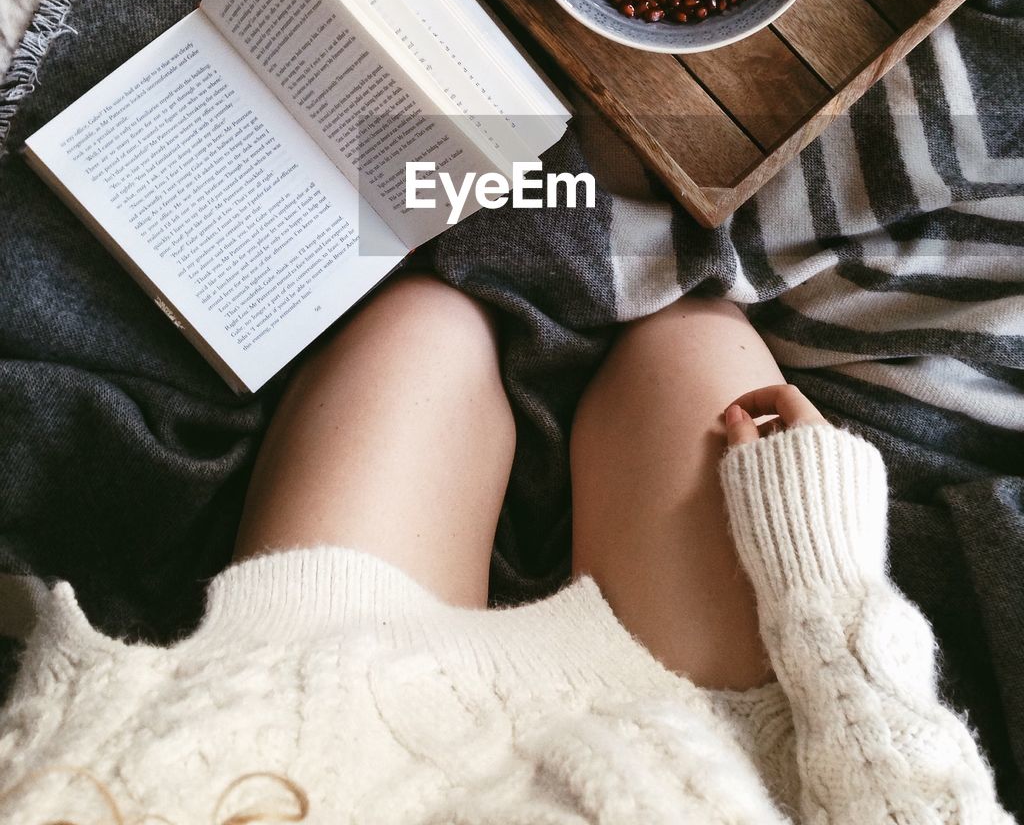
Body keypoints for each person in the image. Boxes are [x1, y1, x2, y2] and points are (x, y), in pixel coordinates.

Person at [0, 275, 1012, 822]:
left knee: (423, 323)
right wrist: (827, 585)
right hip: (690, 751)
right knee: (694, 339)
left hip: (308, 748)